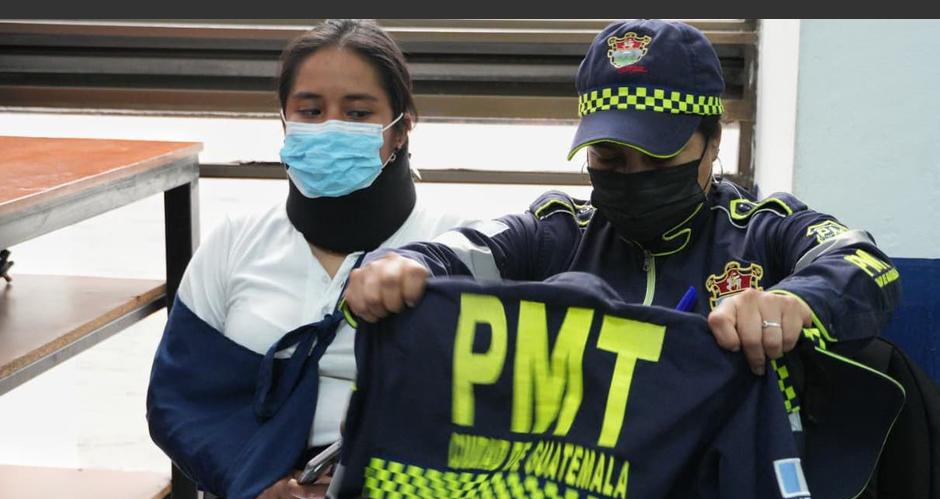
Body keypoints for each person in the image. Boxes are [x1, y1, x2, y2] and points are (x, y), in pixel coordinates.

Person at [344, 18, 900, 378]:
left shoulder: (762, 229)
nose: (632, 176)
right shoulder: (559, 232)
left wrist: (793, 303)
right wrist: (399, 266)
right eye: (609, 159)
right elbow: (457, 253)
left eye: (657, 157)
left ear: (713, 142)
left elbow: (865, 264)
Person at [146, 19, 468, 499]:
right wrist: (254, 487)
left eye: (359, 113)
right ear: (284, 120)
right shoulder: (235, 242)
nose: (330, 127)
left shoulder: (459, 244)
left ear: (402, 127)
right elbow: (179, 399)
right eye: (310, 110)